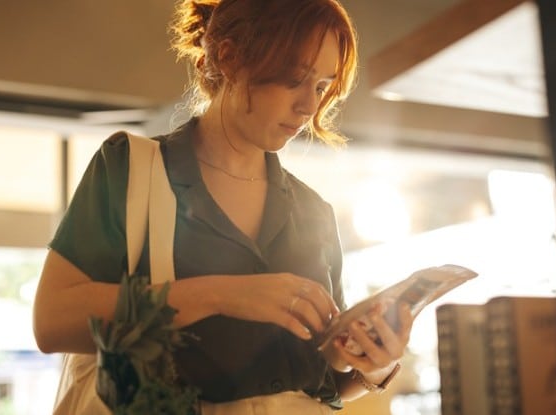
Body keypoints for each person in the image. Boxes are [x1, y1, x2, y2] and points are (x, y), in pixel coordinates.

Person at [32, 0, 414, 413]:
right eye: (295, 79)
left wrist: (373, 363)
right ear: (230, 58)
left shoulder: (314, 212)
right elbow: (52, 323)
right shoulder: (131, 169)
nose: (309, 106)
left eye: (322, 86)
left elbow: (324, 380)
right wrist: (222, 295)